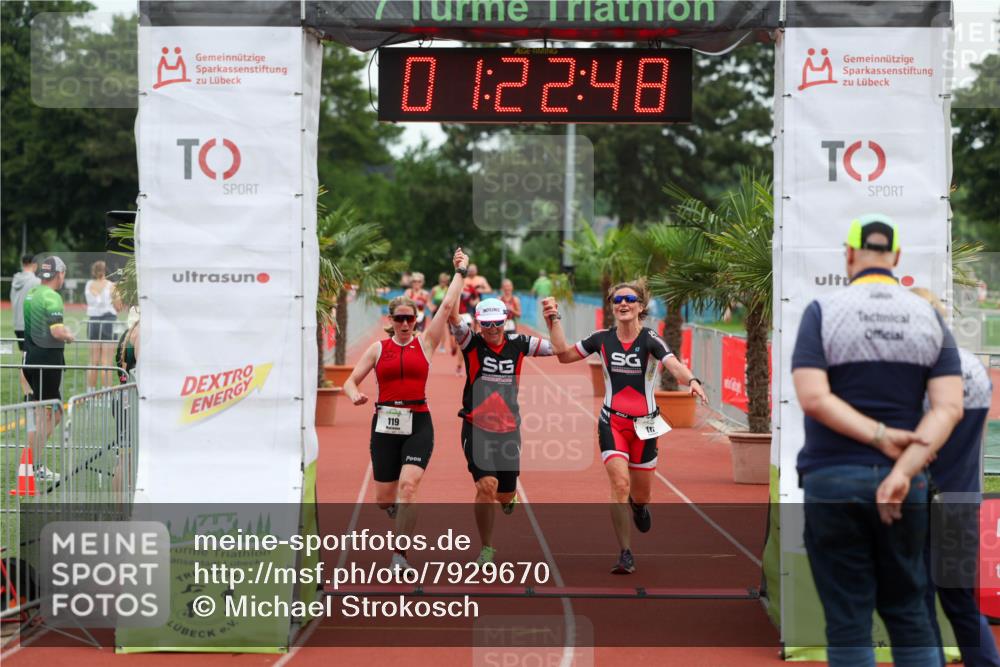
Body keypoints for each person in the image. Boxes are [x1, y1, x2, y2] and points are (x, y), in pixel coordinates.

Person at [791, 216, 964, 667]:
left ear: (848, 255)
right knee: (909, 613)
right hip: (905, 484)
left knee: (848, 621)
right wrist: (903, 468)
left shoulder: (822, 312)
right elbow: (949, 408)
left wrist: (879, 436)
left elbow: (812, 397)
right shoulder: (928, 316)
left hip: (832, 478)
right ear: (897, 258)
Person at [548, 281, 707, 574]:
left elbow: (673, 365)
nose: (623, 304)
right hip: (613, 422)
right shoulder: (601, 339)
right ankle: (625, 552)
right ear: (611, 306)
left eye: (629, 299)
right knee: (620, 485)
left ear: (640, 306)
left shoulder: (650, 340)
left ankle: (639, 506)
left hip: (646, 425)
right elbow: (564, 355)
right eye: (617, 300)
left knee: (641, 493)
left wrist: (693, 381)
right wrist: (553, 321)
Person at [343, 248, 469, 570]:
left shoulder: (425, 344)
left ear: (416, 320)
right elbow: (349, 381)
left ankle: (400, 555)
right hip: (384, 425)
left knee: (409, 487)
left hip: (418, 423)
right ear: (391, 321)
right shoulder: (377, 349)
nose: (404, 323)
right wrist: (354, 394)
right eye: (398, 318)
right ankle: (394, 508)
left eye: (409, 318)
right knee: (385, 499)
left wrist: (460, 272)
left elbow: (446, 307)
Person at [911, 287, 1000, 667]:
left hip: (920, 502)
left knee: (917, 603)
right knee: (960, 601)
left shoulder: (918, 377)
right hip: (962, 498)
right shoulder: (974, 368)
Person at [449, 295, 561, 565]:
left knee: (504, 493)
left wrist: (552, 318)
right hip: (476, 426)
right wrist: (459, 274)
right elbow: (452, 316)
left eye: (497, 323)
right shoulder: (471, 343)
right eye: (486, 324)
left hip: (509, 428)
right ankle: (487, 548)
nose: (492, 329)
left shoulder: (520, 343)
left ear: (505, 320)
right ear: (478, 323)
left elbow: (558, 349)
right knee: (487, 485)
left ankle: (509, 498)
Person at [23, 256, 75, 483]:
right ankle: (31, 466)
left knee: (47, 414)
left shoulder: (32, 293)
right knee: (50, 415)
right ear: (60, 274)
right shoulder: (52, 297)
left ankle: (33, 465)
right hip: (48, 361)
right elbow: (56, 331)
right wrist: (70, 335)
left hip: (32, 358)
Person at [84, 260, 120, 390]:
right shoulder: (111, 285)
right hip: (108, 321)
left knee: (93, 361)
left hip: (93, 321)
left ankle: (91, 393)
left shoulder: (89, 284)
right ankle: (106, 393)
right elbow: (118, 306)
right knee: (107, 362)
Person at [10, 254, 40, 397]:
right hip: (30, 324)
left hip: (18, 324)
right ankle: (29, 392)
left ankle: (27, 392)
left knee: (24, 356)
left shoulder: (15, 280)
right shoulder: (36, 281)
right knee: (29, 360)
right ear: (34, 264)